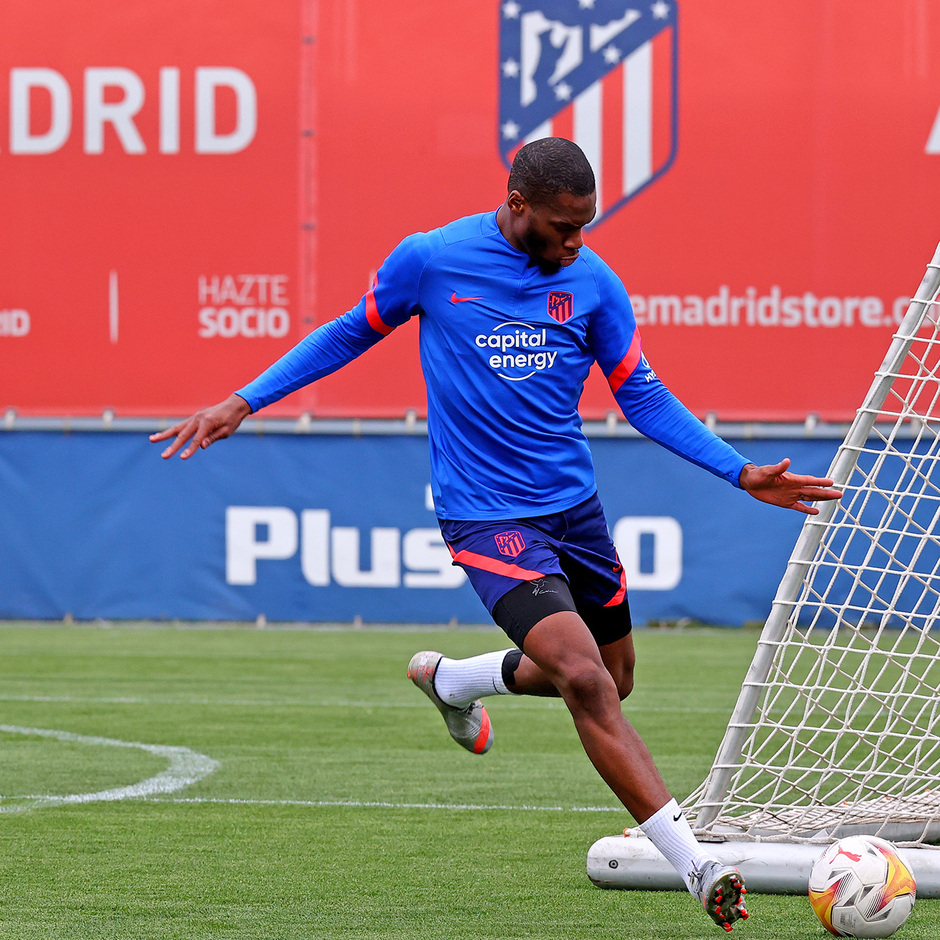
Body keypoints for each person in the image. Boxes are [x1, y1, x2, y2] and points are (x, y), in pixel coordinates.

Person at [151, 137, 842, 931]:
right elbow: (348, 333)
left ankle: (455, 681)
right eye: (561, 226)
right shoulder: (432, 260)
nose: (575, 241)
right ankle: (697, 864)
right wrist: (245, 400)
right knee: (583, 677)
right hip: (485, 514)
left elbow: (642, 396)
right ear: (517, 207)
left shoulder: (593, 282)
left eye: (585, 225)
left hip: (573, 513)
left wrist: (737, 471)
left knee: (614, 679)